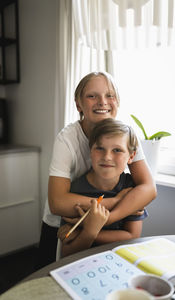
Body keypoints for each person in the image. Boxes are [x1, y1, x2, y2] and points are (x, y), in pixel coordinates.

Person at [36, 71, 156, 269]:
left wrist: (106, 218)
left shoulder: (125, 134)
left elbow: (149, 189)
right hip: (63, 223)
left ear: (117, 101)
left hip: (97, 221)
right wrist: (117, 201)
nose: (102, 101)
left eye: (109, 95)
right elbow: (58, 202)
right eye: (92, 96)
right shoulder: (67, 140)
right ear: (78, 105)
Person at [57, 118, 148, 258]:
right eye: (100, 148)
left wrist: (89, 232)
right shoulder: (75, 191)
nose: (107, 157)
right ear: (90, 150)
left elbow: (132, 236)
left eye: (117, 150)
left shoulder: (131, 188)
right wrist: (89, 232)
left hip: (119, 261)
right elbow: (67, 252)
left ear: (131, 156)